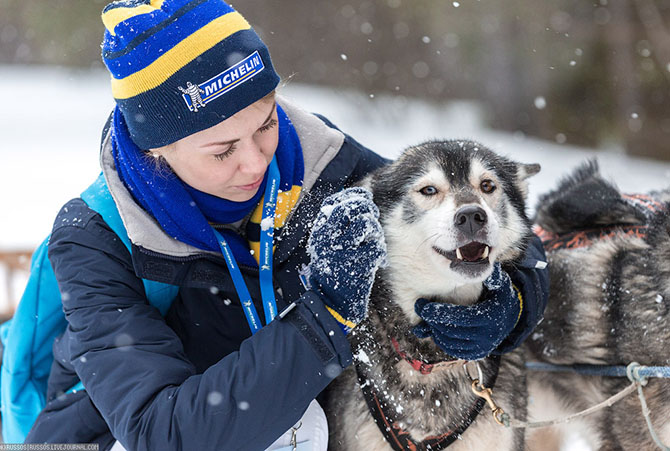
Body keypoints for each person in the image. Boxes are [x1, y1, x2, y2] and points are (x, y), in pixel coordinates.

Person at [25, 1, 549, 450]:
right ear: (157, 151)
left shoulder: (325, 165)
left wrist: (512, 303)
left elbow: (473, 229)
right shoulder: (96, 238)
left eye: (265, 124)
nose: (255, 163)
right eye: (223, 150)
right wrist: (326, 319)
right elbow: (166, 433)